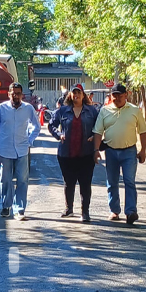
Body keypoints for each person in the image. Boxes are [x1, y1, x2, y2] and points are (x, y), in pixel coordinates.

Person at [92, 83, 146, 224]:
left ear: (126, 95)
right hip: (111, 151)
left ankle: (131, 212)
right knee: (112, 182)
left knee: (129, 181)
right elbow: (98, 132)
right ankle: (114, 210)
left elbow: (143, 131)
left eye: (119, 95)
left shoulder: (134, 110)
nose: (116, 98)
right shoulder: (104, 111)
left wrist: (143, 150)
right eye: (114, 95)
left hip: (129, 151)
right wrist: (96, 150)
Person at [0, 82, 41, 220]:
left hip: (22, 150)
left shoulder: (28, 109)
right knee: (5, 180)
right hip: (5, 150)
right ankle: (6, 206)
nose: (15, 96)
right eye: (13, 93)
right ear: (8, 94)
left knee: (22, 180)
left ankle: (20, 209)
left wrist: (29, 140)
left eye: (18, 93)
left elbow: (37, 126)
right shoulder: (1, 109)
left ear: (22, 95)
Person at [48, 83, 99, 222]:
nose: (76, 95)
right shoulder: (63, 110)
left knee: (85, 183)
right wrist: (59, 135)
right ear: (70, 95)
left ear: (83, 95)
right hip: (66, 154)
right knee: (69, 182)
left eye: (79, 93)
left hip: (86, 153)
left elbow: (100, 126)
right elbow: (51, 125)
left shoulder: (92, 111)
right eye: (74, 93)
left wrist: (95, 136)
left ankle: (85, 212)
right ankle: (69, 208)